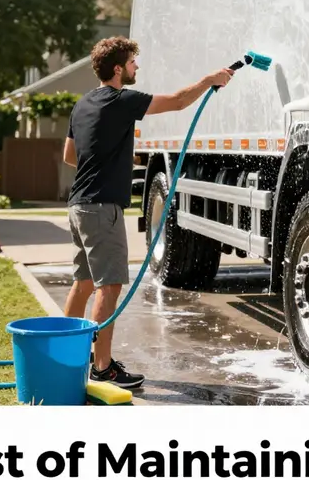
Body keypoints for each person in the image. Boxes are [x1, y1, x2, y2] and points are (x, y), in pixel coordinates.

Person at [62, 36, 234, 389]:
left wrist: (101, 159)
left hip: (78, 204)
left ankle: (66, 357)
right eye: (132, 62)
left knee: (82, 283)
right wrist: (209, 80)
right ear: (117, 69)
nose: (136, 67)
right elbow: (179, 101)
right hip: (101, 207)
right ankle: (103, 367)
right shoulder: (121, 100)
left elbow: (69, 156)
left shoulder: (82, 104)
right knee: (108, 287)